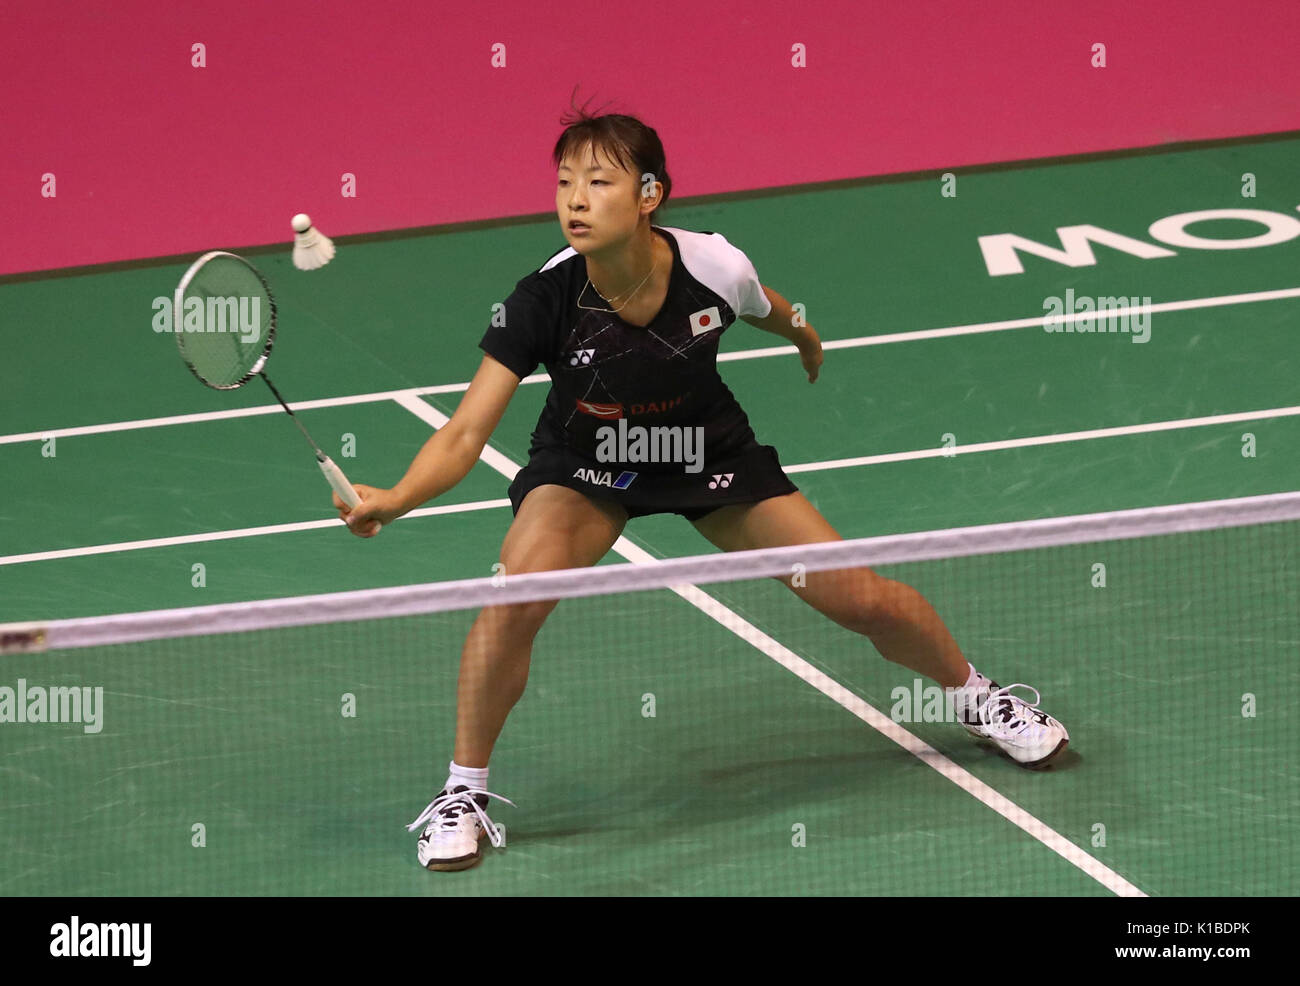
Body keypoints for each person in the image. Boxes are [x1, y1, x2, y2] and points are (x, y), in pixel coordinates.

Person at [334, 105, 1069, 872]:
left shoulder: (712, 264)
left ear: (650, 194)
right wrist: (394, 499)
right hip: (589, 463)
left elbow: (765, 304)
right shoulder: (541, 300)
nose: (574, 201)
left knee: (863, 599)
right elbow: (463, 434)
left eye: (598, 181)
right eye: (563, 183)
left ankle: (979, 697)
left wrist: (803, 337)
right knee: (512, 598)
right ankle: (464, 793)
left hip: (703, 451)